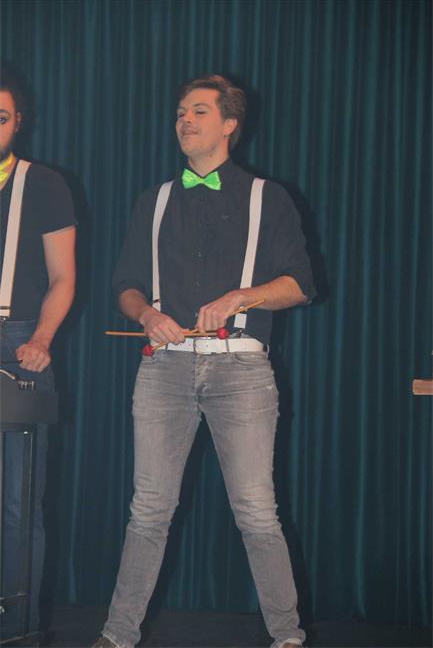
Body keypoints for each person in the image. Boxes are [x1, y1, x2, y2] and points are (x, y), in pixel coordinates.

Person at [95, 74, 315, 648]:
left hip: (241, 370)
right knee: (148, 511)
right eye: (180, 112)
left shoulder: (268, 197)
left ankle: (287, 636)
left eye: (197, 111)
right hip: (164, 368)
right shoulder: (153, 200)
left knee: (256, 513)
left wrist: (243, 297)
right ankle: (116, 636)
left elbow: (300, 284)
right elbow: (125, 286)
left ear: (229, 124)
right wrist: (147, 314)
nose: (184, 120)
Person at [0, 66, 76, 641]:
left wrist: (42, 340)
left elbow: (63, 277)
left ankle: (17, 630)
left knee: (19, 501)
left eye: (0, 118)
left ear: (18, 122)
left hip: (17, 340)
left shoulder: (43, 184)